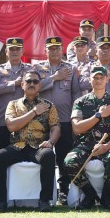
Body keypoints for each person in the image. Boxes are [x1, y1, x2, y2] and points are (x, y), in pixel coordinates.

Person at [0, 69, 59, 213]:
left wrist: (50, 142)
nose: (32, 84)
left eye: (35, 82)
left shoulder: (49, 105)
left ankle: (44, 200)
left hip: (38, 146)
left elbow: (56, 127)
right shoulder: (13, 104)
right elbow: (11, 126)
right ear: (22, 84)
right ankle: (0, 201)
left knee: (48, 155)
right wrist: (34, 112)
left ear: (40, 86)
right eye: (28, 81)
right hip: (17, 146)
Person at [66, 65, 110, 209]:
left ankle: (106, 195)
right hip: (86, 145)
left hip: (107, 145)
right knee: (69, 161)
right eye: (95, 78)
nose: (98, 80)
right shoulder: (80, 102)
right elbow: (77, 128)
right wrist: (98, 115)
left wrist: (107, 146)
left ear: (107, 79)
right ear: (90, 80)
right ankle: (89, 194)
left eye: (101, 77)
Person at [33, 36, 79, 204]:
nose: (54, 51)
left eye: (57, 48)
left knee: (64, 157)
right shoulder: (37, 68)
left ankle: (64, 191)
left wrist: (75, 117)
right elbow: (33, 89)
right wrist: (54, 77)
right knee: (41, 155)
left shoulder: (71, 68)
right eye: (50, 48)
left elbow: (75, 94)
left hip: (64, 119)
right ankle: (42, 192)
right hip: (41, 119)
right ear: (45, 51)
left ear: (62, 50)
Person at [0, 37, 33, 151]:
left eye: (17, 49)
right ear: (6, 51)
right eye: (11, 49)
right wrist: (15, 83)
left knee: (24, 156)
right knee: (1, 155)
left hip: (25, 119)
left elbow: (37, 88)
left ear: (22, 51)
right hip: (3, 121)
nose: (14, 52)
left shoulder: (30, 69)